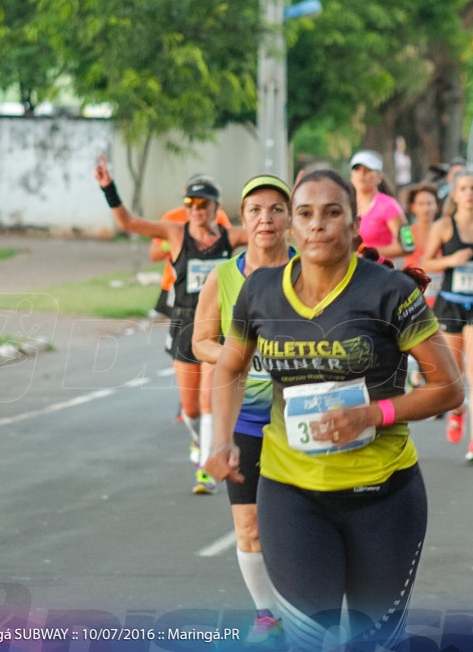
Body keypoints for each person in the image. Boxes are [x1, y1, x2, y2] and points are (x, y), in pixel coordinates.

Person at [205, 169, 462, 651]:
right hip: (291, 494)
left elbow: (449, 387)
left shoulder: (390, 291)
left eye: (332, 212)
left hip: (383, 496)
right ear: (291, 227)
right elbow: (231, 368)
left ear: (354, 224)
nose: (317, 224)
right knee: (306, 638)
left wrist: (372, 414)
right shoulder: (259, 290)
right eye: (305, 214)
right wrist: (220, 438)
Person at [94, 156, 247, 494]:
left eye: (203, 203)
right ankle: (198, 438)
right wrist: (109, 188)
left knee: (209, 399)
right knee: (191, 407)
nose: (196, 209)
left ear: (215, 206)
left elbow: (270, 232)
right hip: (185, 325)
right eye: (190, 203)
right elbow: (128, 222)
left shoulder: (229, 237)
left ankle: (206, 469)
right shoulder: (175, 234)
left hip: (219, 329)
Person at [191, 175, 292, 645]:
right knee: (248, 524)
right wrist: (238, 354)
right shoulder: (224, 277)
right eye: (255, 210)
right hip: (247, 419)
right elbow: (200, 342)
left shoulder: (310, 270)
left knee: (298, 524)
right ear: (242, 221)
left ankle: (307, 606)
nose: (266, 219)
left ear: (290, 219)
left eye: (276, 209)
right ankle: (267, 614)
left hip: (303, 419)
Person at [422, 171, 473, 462]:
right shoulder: (444, 226)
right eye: (464, 188)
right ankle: (458, 408)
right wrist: (450, 260)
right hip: (450, 304)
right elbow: (425, 261)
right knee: (454, 375)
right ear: (455, 195)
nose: (470, 193)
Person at [148, 185, 232, 319]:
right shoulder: (172, 218)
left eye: (202, 201)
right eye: (190, 200)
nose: (196, 205)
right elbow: (154, 254)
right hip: (176, 282)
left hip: (211, 283)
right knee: (179, 325)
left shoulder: (219, 217)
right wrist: (175, 242)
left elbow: (229, 246)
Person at [350, 150, 407, 259]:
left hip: (380, 271)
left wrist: (368, 252)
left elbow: (408, 245)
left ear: (379, 177)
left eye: (368, 170)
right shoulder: (345, 204)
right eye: (357, 169)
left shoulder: (390, 206)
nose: (362, 174)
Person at [402, 182, 443, 306]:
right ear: (413, 207)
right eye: (421, 204)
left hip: (441, 299)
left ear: (437, 206)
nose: (425, 209)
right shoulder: (406, 233)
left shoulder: (445, 233)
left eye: (429, 203)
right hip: (413, 299)